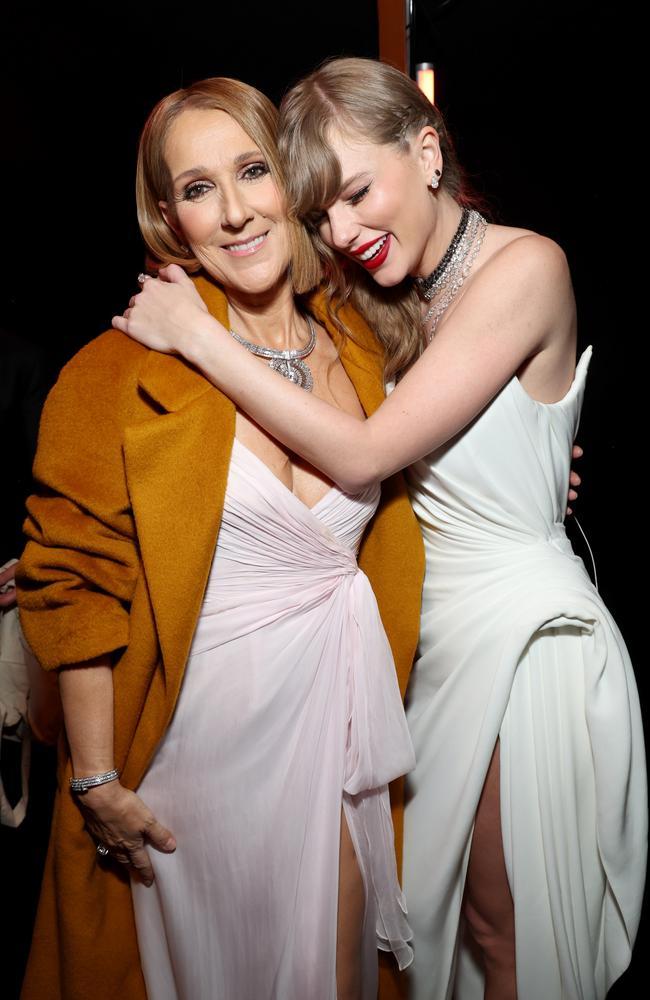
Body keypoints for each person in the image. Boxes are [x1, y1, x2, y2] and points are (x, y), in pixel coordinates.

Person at [113, 58, 647, 1000]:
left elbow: (364, 457)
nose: (344, 231)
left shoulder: (529, 265)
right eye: (321, 212)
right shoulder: (377, 304)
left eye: (358, 192)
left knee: (504, 923)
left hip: (515, 642)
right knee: (438, 934)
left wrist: (195, 334)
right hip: (412, 651)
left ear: (428, 149)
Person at [15, 77, 426, 1000]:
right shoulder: (113, 369)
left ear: (292, 179)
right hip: (194, 757)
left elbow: (432, 462)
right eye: (199, 189)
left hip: (345, 736)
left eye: (252, 172)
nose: (237, 212)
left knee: (337, 968)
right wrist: (96, 781)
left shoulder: (363, 343)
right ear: (169, 215)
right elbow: (74, 585)